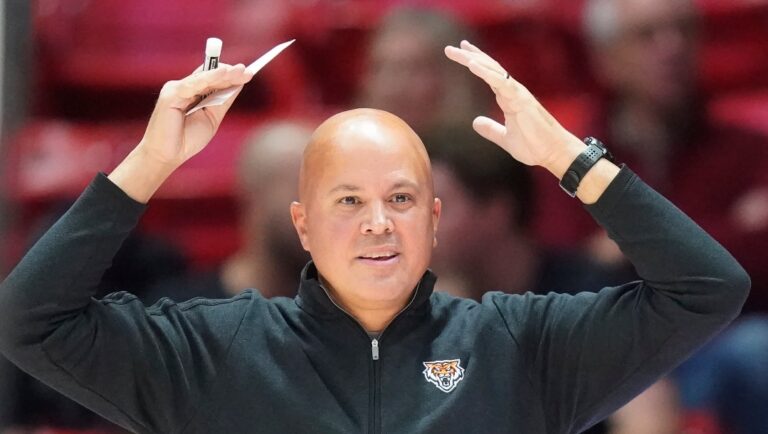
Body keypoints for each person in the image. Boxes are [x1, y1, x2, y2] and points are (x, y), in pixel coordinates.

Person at [0, 41, 750, 433]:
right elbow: (26, 321)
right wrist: (151, 160)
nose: (377, 222)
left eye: (400, 198)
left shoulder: (521, 345)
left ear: (432, 220)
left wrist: (569, 159)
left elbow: (707, 289)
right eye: (349, 200)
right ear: (302, 225)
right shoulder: (210, 352)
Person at [422, 126, 628, 298]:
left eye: (440, 206)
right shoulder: (419, 303)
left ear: (497, 212)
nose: (420, 224)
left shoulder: (587, 298)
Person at [141, 120, 312, 304]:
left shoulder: (341, 313)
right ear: (253, 195)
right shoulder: (180, 312)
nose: (316, 211)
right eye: (302, 189)